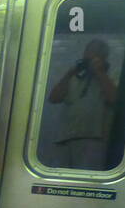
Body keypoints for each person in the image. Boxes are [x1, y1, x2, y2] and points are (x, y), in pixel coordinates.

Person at [45, 38, 118, 170]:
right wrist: (70, 73)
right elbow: (54, 98)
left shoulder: (111, 77)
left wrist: (100, 73)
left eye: (95, 53)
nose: (90, 56)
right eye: (88, 52)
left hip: (92, 140)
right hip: (64, 139)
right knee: (58, 179)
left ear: (103, 57)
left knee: (86, 179)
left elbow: (114, 99)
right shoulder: (74, 78)